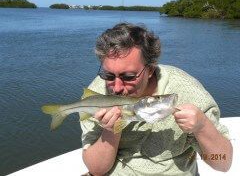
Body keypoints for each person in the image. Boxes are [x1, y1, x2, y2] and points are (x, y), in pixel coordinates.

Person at [80, 23, 232, 175]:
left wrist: (202, 127)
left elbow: (223, 163)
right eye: (109, 76)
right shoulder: (96, 94)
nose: (117, 87)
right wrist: (111, 130)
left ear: (150, 69)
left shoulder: (187, 91)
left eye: (128, 77)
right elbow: (97, 170)